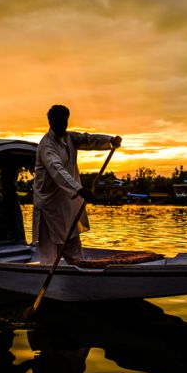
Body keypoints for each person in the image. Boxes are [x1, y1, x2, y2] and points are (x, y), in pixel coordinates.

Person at [33, 105, 121, 265]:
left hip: (68, 203)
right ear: (51, 122)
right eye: (59, 122)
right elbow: (57, 170)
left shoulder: (69, 138)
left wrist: (109, 140)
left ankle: (78, 271)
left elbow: (88, 139)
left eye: (65, 121)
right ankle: (47, 278)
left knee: (72, 242)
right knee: (49, 254)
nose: (63, 125)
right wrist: (79, 189)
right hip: (49, 207)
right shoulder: (47, 146)